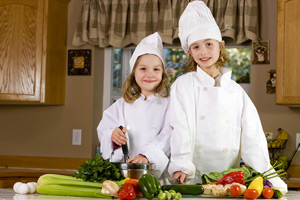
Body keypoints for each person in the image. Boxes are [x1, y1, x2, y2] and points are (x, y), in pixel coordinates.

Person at [168, 0, 287, 191]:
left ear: (221, 46)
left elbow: (253, 136)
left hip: (229, 180)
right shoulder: (183, 85)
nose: (203, 52)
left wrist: (267, 175)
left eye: (208, 44)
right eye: (196, 47)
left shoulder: (236, 91)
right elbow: (180, 128)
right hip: (191, 177)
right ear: (190, 52)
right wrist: (181, 165)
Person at [97, 32, 171, 181]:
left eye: (156, 69)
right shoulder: (120, 106)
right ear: (133, 73)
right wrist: (113, 136)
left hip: (157, 177)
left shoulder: (170, 104)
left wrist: (147, 156)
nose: (149, 74)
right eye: (143, 69)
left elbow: (169, 135)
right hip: (125, 176)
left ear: (163, 74)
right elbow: (104, 130)